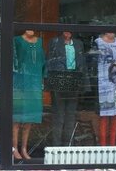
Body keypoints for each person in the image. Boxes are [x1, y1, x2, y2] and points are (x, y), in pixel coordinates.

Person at [12, 30, 45, 161]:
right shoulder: (17, 40)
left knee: (30, 118)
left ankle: (24, 149)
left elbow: (43, 62)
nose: (30, 30)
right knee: (16, 118)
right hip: (20, 82)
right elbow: (13, 60)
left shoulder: (40, 42)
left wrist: (43, 79)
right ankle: (14, 148)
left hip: (35, 83)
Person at [46, 31, 83, 146]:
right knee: (59, 115)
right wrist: (49, 82)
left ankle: (68, 145)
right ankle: (56, 145)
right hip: (59, 80)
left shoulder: (78, 43)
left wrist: (84, 83)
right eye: (65, 30)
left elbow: (82, 63)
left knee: (71, 115)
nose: (67, 33)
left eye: (70, 30)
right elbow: (49, 62)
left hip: (74, 79)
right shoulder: (54, 42)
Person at [94, 32, 116, 146]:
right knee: (104, 115)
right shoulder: (98, 42)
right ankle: (103, 146)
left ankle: (112, 145)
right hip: (104, 81)